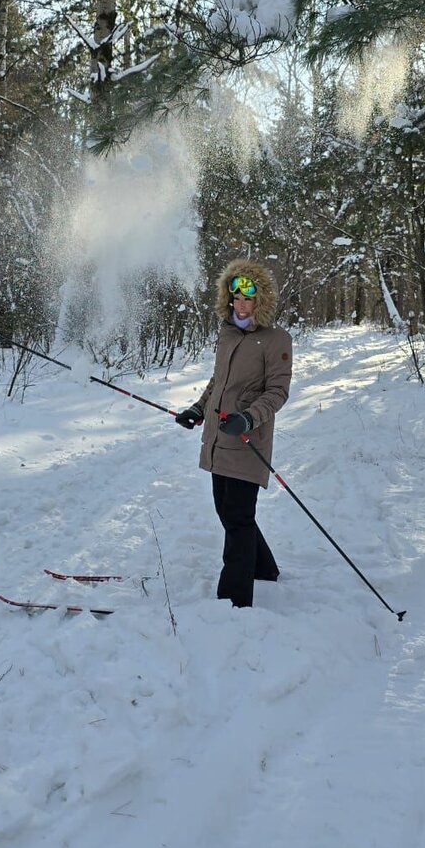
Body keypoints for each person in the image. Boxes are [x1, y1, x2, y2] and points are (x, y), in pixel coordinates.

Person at [175, 258, 293, 608]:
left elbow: (277, 391)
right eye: (235, 297)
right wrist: (198, 408)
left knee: (238, 519)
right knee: (227, 512)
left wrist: (248, 417)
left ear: (261, 300)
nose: (240, 304)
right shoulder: (227, 333)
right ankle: (264, 567)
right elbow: (219, 382)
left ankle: (233, 600)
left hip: (246, 440)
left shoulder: (276, 339)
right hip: (218, 437)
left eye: (248, 298)